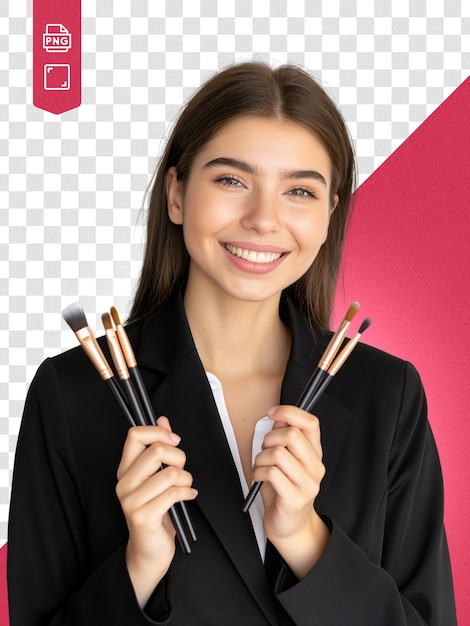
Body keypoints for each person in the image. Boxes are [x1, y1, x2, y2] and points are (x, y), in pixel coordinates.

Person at [8, 62, 456, 625]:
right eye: (231, 180)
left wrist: (306, 539)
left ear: (328, 216)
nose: (264, 220)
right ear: (176, 194)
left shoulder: (387, 396)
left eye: (299, 191)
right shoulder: (73, 393)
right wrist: (141, 564)